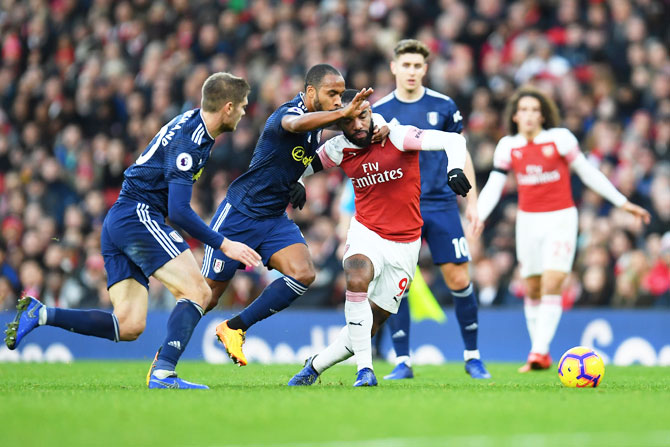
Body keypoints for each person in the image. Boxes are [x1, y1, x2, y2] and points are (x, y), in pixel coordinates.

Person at [4, 72, 261, 389]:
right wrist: (224, 244)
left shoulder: (194, 122)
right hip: (138, 215)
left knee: (128, 325)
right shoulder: (191, 142)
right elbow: (179, 210)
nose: (246, 112)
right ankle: (164, 374)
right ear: (228, 107)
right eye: (244, 106)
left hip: (121, 219)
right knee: (198, 292)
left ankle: (41, 314)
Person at [288, 88, 471, 386]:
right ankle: (366, 370)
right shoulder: (338, 149)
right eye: (350, 121)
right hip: (367, 231)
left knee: (370, 322)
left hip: (406, 243)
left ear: (371, 113)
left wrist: (454, 169)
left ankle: (315, 365)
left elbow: (453, 139)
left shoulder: (397, 136)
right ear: (340, 123)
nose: (358, 125)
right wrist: (296, 179)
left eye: (363, 116)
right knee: (357, 275)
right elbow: (300, 165)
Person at [201, 65, 380, 366]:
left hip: (272, 218)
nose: (338, 102)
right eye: (332, 94)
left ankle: (234, 327)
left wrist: (380, 127)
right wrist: (342, 113)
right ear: (311, 92)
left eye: (340, 96)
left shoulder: (322, 121)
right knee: (207, 296)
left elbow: (359, 127)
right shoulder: (288, 114)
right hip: (240, 214)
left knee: (303, 273)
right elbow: (296, 126)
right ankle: (164, 360)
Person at [477, 86, 650, 372]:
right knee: (531, 287)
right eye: (524, 110)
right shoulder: (508, 145)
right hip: (528, 221)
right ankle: (540, 353)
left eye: (535, 110)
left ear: (543, 114)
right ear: (516, 116)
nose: (530, 115)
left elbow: (588, 172)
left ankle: (538, 350)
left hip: (560, 218)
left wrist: (622, 202)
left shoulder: (559, 139)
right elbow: (495, 184)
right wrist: (479, 215)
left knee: (553, 282)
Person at [371, 39, 490, 379]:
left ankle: (472, 357)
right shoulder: (380, 110)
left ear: (425, 69)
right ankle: (402, 362)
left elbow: (461, 150)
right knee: (398, 282)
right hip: (399, 207)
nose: (411, 71)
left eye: (417, 66)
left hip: (439, 203)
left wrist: (473, 201)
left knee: (458, 277)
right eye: (405, 65)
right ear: (394, 67)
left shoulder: (444, 105)